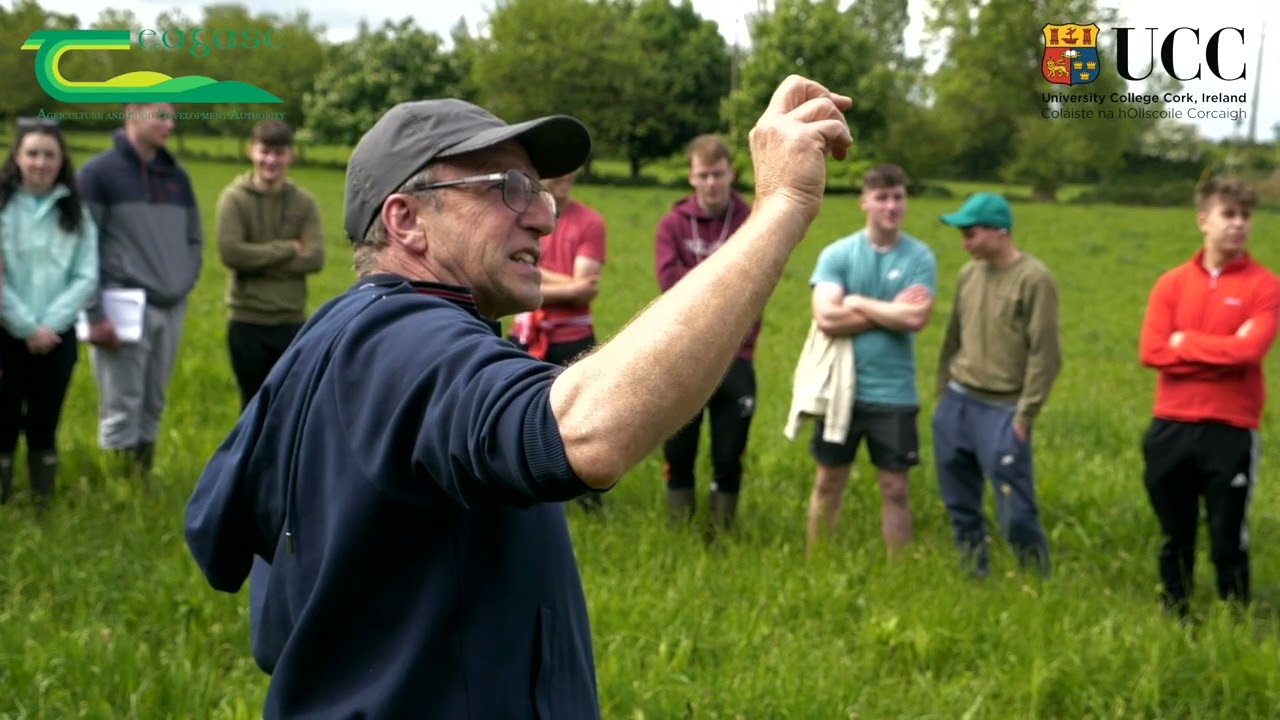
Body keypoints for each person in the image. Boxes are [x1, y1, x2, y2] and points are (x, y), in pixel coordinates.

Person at [184, 75, 854, 718]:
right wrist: (781, 209)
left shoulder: (341, 332)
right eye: (507, 187)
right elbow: (586, 433)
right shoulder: (404, 342)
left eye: (541, 192)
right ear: (407, 219)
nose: (542, 217)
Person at [1138, 176, 1279, 618]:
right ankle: (1175, 609)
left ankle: (1234, 614)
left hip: (1231, 427)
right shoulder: (1171, 284)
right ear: (1204, 220)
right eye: (1228, 214)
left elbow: (1249, 351)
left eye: (1245, 217)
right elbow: (1152, 351)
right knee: (1174, 530)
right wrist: (1218, 350)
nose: (1238, 225)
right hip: (1172, 423)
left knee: (1226, 533)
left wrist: (1186, 344)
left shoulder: (1265, 287)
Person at [803, 163, 937, 554]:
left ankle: (898, 574)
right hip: (840, 390)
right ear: (865, 202)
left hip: (894, 393)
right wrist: (888, 313)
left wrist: (858, 301)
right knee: (829, 480)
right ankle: (817, 561)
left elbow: (916, 316)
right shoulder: (838, 254)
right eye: (882, 198)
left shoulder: (920, 257)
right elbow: (827, 317)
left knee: (895, 487)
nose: (891, 206)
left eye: (898, 197)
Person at [932, 192, 1061, 578]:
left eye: (970, 233)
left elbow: (1047, 354)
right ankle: (975, 575)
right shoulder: (968, 274)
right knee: (959, 503)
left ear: (999, 232)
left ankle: (1037, 581)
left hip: (1004, 410)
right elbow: (951, 338)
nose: (964, 242)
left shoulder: (1034, 279)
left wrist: (1025, 416)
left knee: (1016, 510)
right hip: (958, 403)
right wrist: (942, 399)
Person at [78, 102, 203, 476]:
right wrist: (95, 313)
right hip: (122, 306)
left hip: (171, 306)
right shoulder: (98, 174)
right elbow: (82, 249)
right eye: (161, 115)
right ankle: (120, 489)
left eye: (172, 115)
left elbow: (194, 238)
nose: (170, 123)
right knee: (122, 403)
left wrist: (184, 281)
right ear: (133, 112)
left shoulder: (177, 178)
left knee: (154, 401)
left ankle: (141, 479)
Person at [654, 133, 757, 535]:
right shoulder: (672, 225)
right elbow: (671, 287)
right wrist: (726, 284)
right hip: (684, 353)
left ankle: (721, 532)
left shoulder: (753, 221)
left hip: (737, 353)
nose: (711, 182)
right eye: (703, 175)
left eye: (718, 174)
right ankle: (680, 530)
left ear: (732, 173)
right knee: (679, 449)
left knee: (729, 454)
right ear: (691, 178)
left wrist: (704, 285)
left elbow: (754, 284)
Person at [0, 118, 98, 507]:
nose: (40, 162)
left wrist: (49, 325)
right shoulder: (4, 207)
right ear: (17, 157)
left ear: (62, 161)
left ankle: (43, 500)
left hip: (57, 336)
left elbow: (86, 275)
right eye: (33, 153)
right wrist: (24, 326)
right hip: (6, 333)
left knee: (45, 418)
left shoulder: (76, 213)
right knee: (3, 418)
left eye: (49, 155)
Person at [507, 169, 607, 512]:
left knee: (583, 423)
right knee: (524, 420)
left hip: (573, 337)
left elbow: (584, 293)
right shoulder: (522, 217)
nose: (567, 176)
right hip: (526, 335)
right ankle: (531, 499)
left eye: (572, 170)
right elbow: (514, 287)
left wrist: (532, 271)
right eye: (558, 170)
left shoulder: (590, 222)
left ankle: (589, 503)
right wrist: (570, 285)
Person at [216, 119, 325, 410]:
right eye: (265, 152)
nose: (271, 160)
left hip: (290, 321)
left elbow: (315, 258)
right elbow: (232, 254)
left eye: (279, 153)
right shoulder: (234, 199)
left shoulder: (304, 203)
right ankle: (246, 458)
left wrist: (257, 260)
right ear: (252, 151)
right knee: (250, 405)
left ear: (291, 155)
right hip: (246, 320)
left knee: (288, 406)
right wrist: (288, 248)